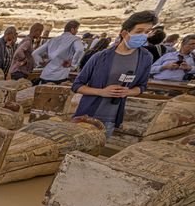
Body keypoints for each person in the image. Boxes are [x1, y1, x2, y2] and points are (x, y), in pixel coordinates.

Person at [72, 10, 158, 138]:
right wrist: (101, 92)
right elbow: (77, 85)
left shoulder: (146, 58)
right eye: (139, 31)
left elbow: (141, 86)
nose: (143, 36)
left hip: (111, 118)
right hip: (87, 115)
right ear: (124, 33)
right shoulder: (100, 57)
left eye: (147, 32)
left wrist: (128, 92)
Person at [32, 20, 84, 84]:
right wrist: (73, 65)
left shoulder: (53, 40)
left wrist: (41, 63)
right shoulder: (75, 39)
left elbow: (35, 53)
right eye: (77, 29)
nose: (77, 31)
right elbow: (80, 50)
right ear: (72, 29)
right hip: (60, 76)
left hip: (46, 74)